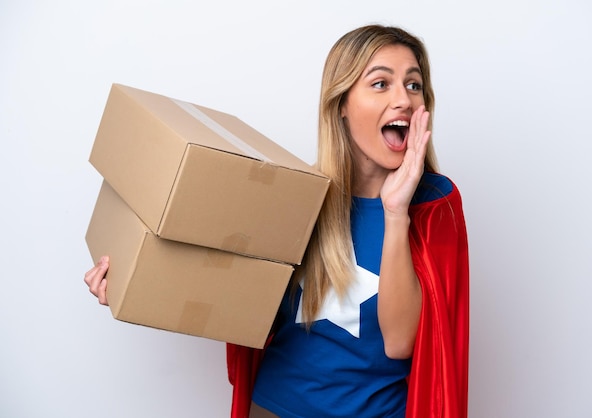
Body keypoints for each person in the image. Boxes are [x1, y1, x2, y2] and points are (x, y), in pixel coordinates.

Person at [85, 24, 469, 418]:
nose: (403, 99)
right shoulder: (296, 198)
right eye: (380, 84)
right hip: (274, 407)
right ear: (341, 103)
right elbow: (232, 299)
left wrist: (395, 212)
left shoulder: (435, 205)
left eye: (414, 85)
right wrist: (133, 281)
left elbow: (400, 343)